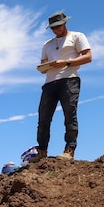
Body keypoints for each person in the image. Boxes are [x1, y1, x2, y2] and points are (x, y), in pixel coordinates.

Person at [32, 11, 92, 162]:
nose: (56, 30)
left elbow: (88, 56)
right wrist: (44, 67)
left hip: (69, 80)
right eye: (53, 28)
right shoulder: (47, 44)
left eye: (58, 26)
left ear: (65, 23)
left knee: (69, 115)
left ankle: (69, 150)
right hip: (49, 82)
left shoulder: (77, 37)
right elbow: (43, 64)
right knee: (43, 118)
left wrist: (66, 62)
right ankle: (42, 152)